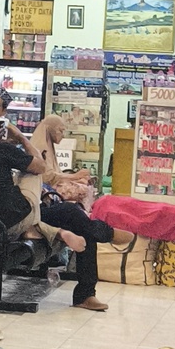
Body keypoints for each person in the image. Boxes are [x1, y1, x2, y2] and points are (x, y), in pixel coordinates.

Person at [24, 115, 111, 311]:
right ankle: (107, 234)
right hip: (33, 211)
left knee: (82, 224)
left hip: (41, 206)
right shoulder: (36, 149)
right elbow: (45, 176)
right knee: (75, 214)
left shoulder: (43, 149)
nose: (63, 134)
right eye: (61, 130)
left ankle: (87, 293)